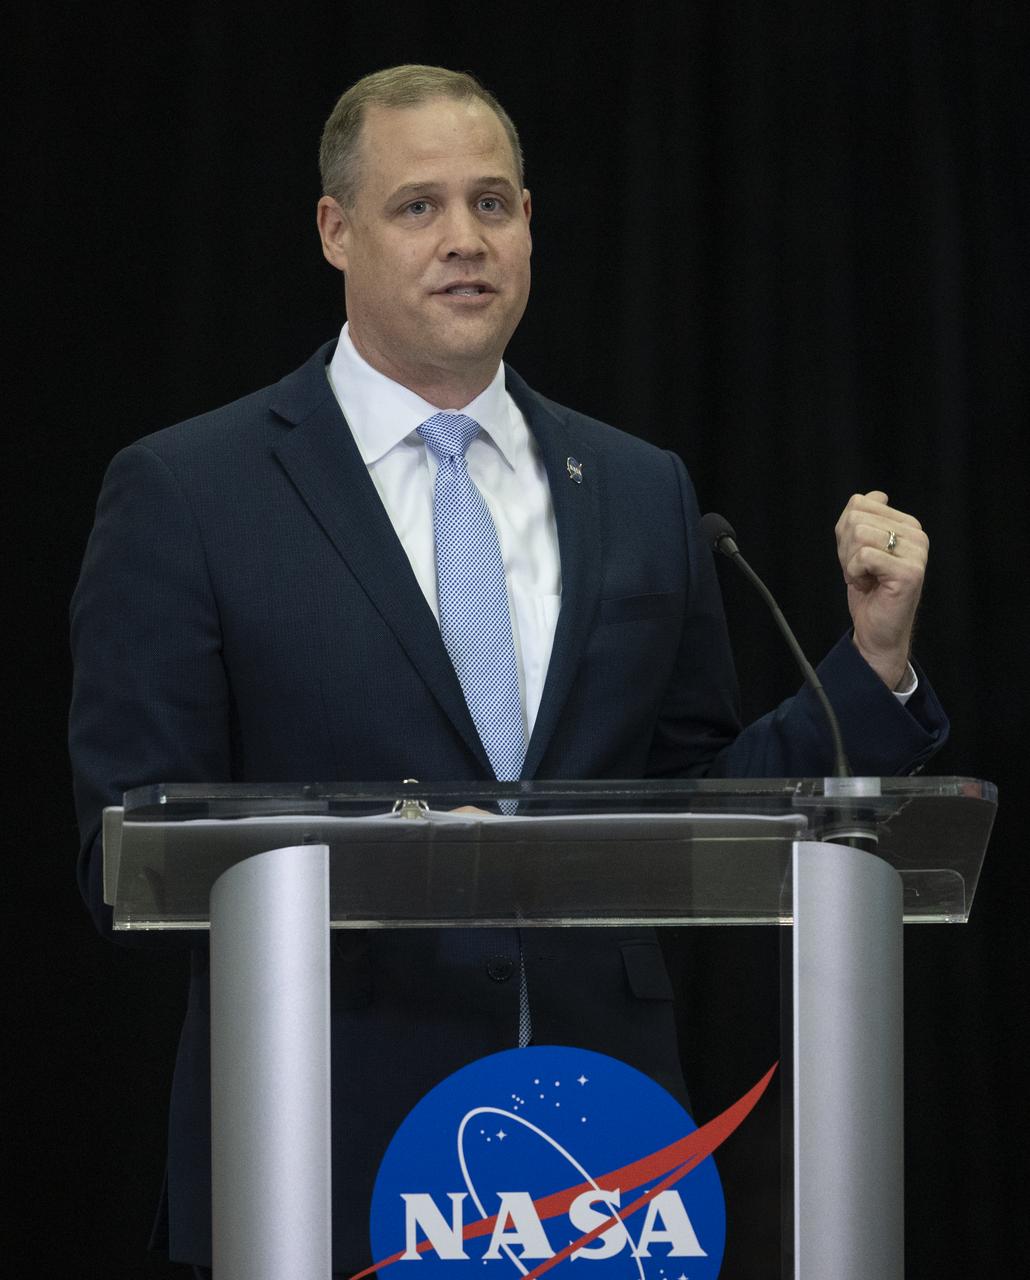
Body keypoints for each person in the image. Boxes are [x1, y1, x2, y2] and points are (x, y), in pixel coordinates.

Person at [69, 65, 947, 1274]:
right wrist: (407, 846)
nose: (464, 241)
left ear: (530, 223)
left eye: (492, 203)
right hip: (321, 1142)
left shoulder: (640, 490)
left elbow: (695, 798)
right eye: (417, 207)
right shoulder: (193, 491)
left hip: (606, 1162)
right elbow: (127, 845)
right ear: (336, 231)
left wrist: (874, 662)